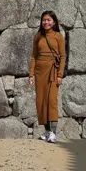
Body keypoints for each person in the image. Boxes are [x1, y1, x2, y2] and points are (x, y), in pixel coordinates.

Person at [29, 10, 66, 143]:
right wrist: (31, 74)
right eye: (44, 20)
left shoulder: (58, 36)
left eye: (49, 20)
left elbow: (62, 56)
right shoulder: (38, 36)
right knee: (41, 101)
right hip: (39, 73)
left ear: (54, 21)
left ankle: (54, 133)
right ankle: (47, 131)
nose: (46, 22)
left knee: (51, 100)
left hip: (53, 71)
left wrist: (60, 74)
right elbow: (34, 56)